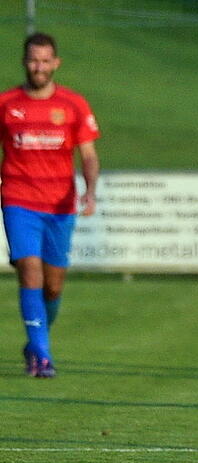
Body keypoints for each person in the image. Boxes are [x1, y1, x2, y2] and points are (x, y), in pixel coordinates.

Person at [1, 32, 100, 378]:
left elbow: (88, 154)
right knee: (30, 270)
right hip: (17, 200)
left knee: (53, 284)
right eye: (32, 60)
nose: (38, 67)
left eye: (45, 61)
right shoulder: (6, 103)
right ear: (24, 61)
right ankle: (42, 356)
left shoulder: (73, 104)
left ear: (55, 63)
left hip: (59, 205)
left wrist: (90, 191)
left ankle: (36, 339)